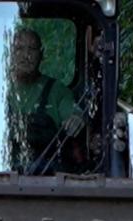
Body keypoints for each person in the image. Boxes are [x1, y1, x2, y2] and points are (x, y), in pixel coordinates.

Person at [8, 28, 83, 174]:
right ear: (10, 54)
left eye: (32, 49)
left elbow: (74, 113)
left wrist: (76, 119)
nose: (26, 55)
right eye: (19, 49)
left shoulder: (57, 90)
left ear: (41, 54)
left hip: (47, 177)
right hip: (0, 172)